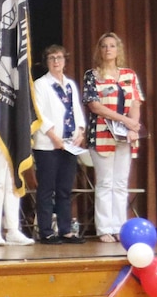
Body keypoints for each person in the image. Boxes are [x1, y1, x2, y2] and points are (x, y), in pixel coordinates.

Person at [83, 31, 145, 243]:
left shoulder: (129, 75)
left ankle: (120, 227)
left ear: (118, 50)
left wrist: (133, 125)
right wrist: (124, 120)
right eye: (104, 46)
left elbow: (136, 102)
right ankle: (104, 228)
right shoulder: (92, 75)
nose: (108, 49)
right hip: (102, 134)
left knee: (120, 183)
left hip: (125, 136)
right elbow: (95, 105)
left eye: (112, 46)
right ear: (99, 51)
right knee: (105, 182)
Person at [33, 45, 87, 244]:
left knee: (65, 188)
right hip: (48, 144)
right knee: (47, 189)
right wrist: (54, 137)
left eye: (59, 58)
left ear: (65, 60)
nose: (56, 61)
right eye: (52, 58)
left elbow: (77, 111)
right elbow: (39, 114)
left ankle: (65, 230)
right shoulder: (41, 84)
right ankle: (46, 231)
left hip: (69, 144)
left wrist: (80, 131)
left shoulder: (70, 84)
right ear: (46, 62)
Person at [0, 86, 35, 247]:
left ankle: (12, 229)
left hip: (15, 139)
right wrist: (7, 131)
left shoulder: (15, 81)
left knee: (14, 184)